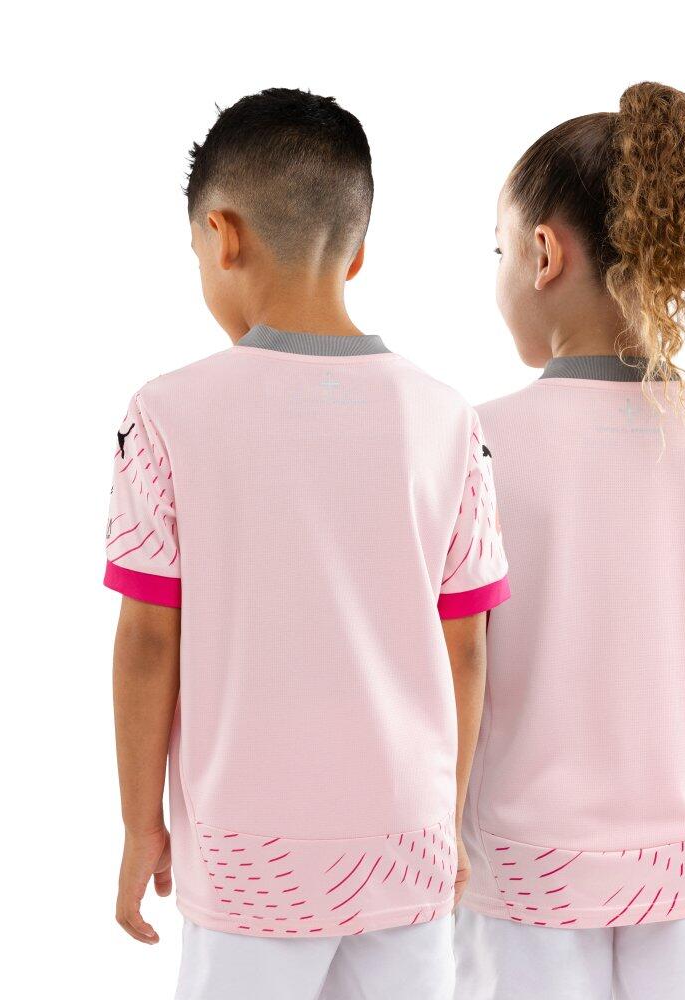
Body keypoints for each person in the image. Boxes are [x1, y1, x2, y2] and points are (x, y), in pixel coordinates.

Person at [104, 87, 510, 1000]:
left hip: (246, 856)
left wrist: (139, 826)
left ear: (221, 236)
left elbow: (148, 641)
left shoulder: (167, 416)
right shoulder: (446, 418)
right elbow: (467, 647)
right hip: (405, 847)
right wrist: (445, 820)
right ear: (356, 252)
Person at [455, 82, 685, 1000]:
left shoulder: (474, 443)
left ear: (542, 254)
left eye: (498, 250)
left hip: (525, 865)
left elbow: (456, 661)